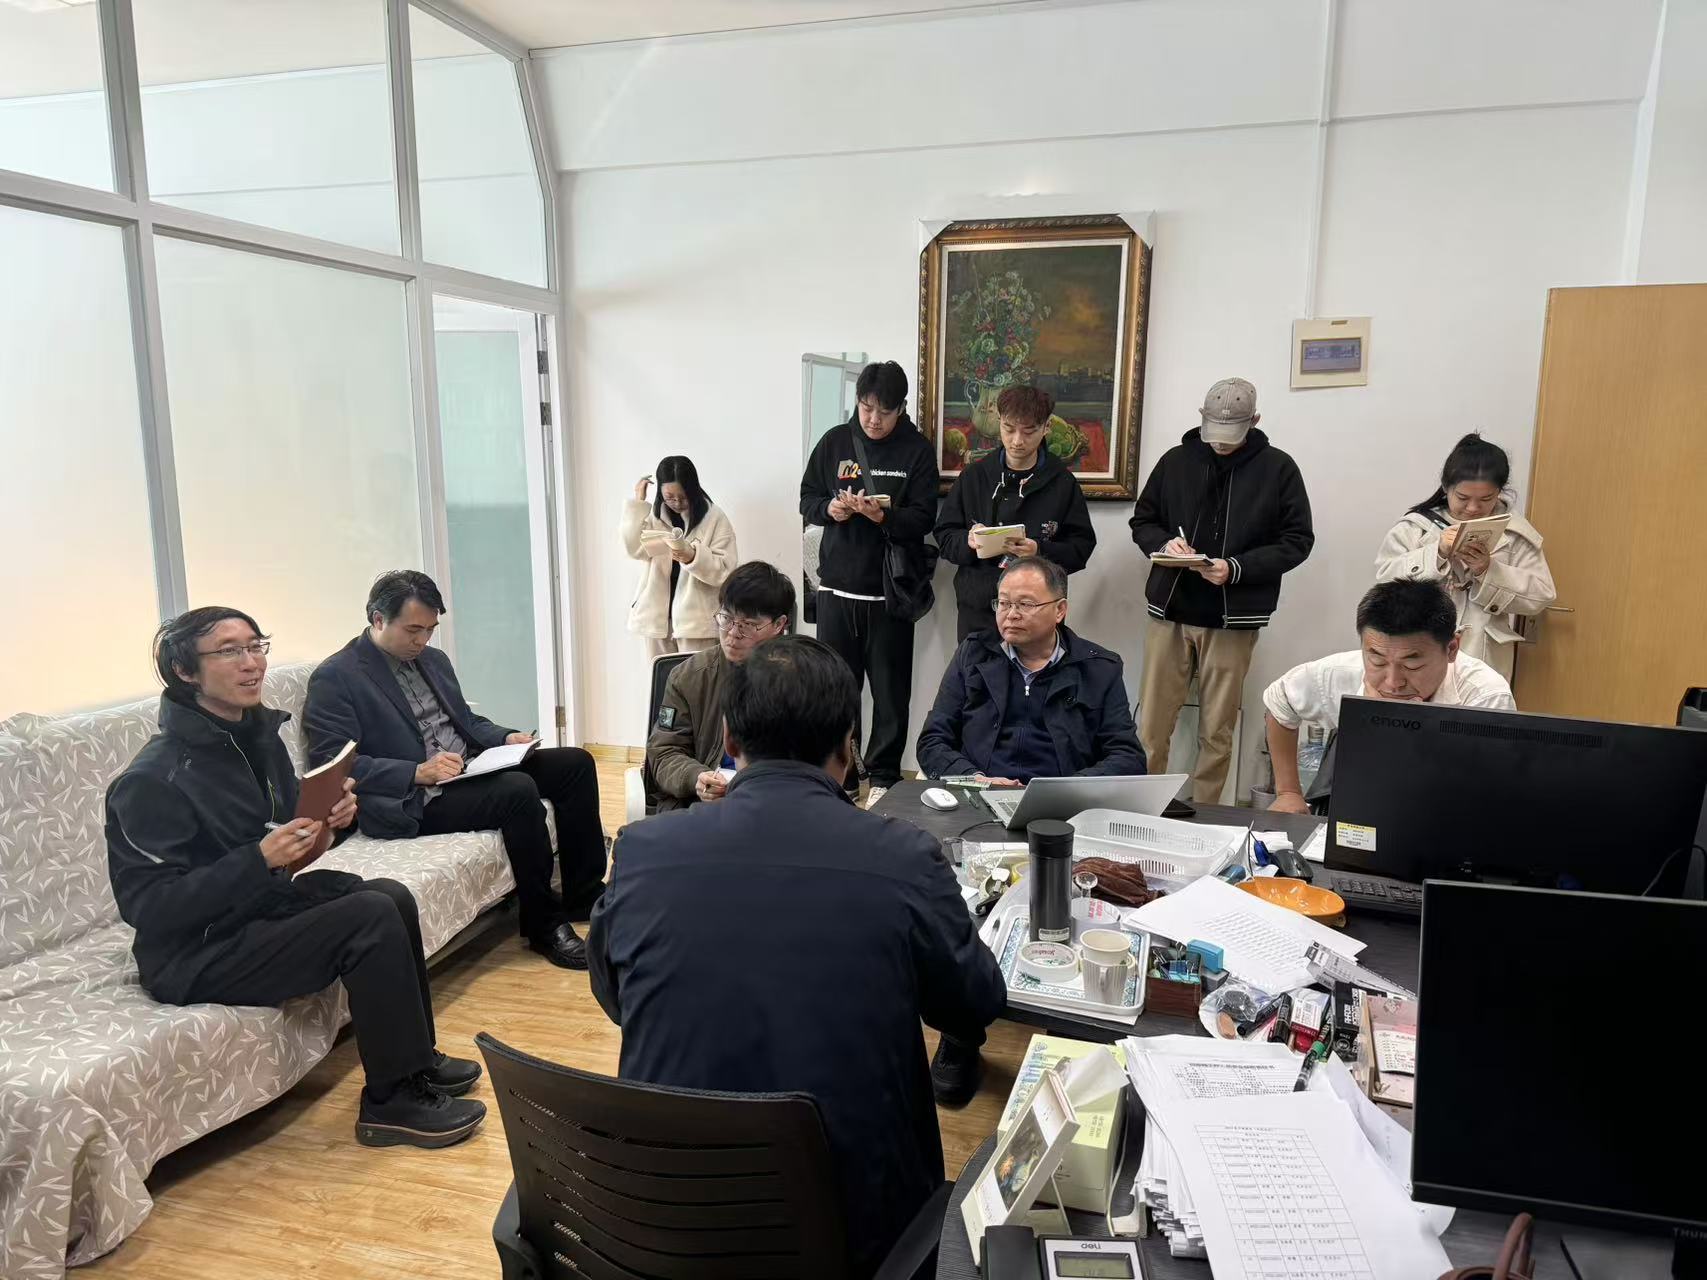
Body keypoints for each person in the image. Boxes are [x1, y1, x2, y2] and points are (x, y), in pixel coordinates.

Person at [588, 636, 1004, 1278]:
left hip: (668, 1217)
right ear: (848, 747)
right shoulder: (904, 858)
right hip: (854, 1226)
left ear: (729, 739)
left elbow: (616, 996)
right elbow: (973, 1003)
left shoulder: (642, 849)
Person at [105, 608, 486, 1148]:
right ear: (185, 671)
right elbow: (149, 907)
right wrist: (257, 860)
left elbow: (288, 847)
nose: (251, 662)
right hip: (194, 954)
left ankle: (416, 1062)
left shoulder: (258, 739)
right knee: (368, 915)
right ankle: (391, 1104)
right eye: (229, 651)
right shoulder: (154, 779)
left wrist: (331, 823)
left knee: (389, 896)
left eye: (255, 646)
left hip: (256, 910)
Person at [304, 570, 606, 970]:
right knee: (516, 791)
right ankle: (544, 925)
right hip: (414, 797)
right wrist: (416, 771)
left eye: (430, 629)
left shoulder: (433, 660)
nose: (422, 640)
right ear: (378, 619)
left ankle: (583, 895)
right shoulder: (336, 677)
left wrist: (506, 737)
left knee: (575, 763)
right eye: (413, 630)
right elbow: (332, 763)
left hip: (466, 769)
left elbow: (465, 721)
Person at [1129, 377, 1314, 803]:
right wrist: (1165, 544)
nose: (1220, 443)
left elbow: (1297, 540)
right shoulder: (1176, 461)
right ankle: (1139, 808)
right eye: (1214, 431)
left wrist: (1236, 569)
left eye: (1231, 434)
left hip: (1234, 618)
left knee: (1218, 730)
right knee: (1151, 725)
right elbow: (1143, 520)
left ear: (1255, 421)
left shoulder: (1278, 468)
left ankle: (1207, 813)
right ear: (1202, 418)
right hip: (1170, 611)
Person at [798, 360, 940, 801]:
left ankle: (884, 778)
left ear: (901, 408)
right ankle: (842, 774)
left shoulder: (916, 451)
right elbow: (807, 497)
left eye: (884, 411)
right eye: (866, 408)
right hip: (836, 590)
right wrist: (830, 509)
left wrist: (884, 517)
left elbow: (924, 518)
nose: (874, 419)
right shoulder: (835, 442)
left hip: (889, 594)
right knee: (836, 691)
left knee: (890, 693)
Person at [1263, 579, 1516, 814]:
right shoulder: (1340, 672)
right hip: (1363, 809)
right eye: (1378, 660)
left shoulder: (1485, 697)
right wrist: (1288, 792)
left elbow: (1489, 797)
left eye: (1412, 664)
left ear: (1451, 649)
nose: (1393, 682)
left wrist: (1395, 729)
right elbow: (1280, 702)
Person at [916, 556, 1144, 785]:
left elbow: (1127, 757)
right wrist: (975, 779)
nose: (1011, 614)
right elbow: (933, 741)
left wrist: (1067, 789)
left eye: (1025, 604)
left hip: (1061, 800)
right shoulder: (973, 654)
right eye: (1004, 603)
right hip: (980, 792)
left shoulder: (1099, 668)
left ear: (1060, 610)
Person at [1374, 432, 1555, 682]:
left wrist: (1488, 571)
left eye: (1486, 499)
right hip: (1418, 651)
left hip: (1484, 657)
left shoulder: (1516, 533)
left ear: (1500, 491)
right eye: (1462, 498)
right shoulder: (1415, 528)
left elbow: (1541, 596)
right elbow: (1384, 584)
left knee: (1477, 706)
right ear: (1446, 487)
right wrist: (1436, 553)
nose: (1472, 508)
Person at [934, 385, 1097, 640]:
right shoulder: (975, 476)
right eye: (1009, 429)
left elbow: (1081, 547)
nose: (1017, 440)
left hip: (1038, 612)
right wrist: (968, 541)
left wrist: (1039, 551)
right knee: (977, 667)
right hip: (979, 609)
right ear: (999, 421)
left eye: (1029, 431)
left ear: (1046, 427)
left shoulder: (1062, 483)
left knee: (1036, 666)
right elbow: (945, 536)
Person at [645, 560, 795, 811]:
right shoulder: (689, 677)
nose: (733, 633)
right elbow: (664, 752)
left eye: (748, 624)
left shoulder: (800, 678)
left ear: (779, 624)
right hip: (702, 804)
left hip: (773, 801)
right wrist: (696, 777)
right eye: (726, 618)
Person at [621, 456, 739, 659]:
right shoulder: (656, 517)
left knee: (697, 678)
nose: (676, 502)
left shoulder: (714, 518)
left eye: (683, 497)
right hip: (657, 621)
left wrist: (692, 556)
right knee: (659, 677)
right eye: (669, 497)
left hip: (696, 625)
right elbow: (633, 548)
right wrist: (638, 502)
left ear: (693, 490)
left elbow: (725, 571)